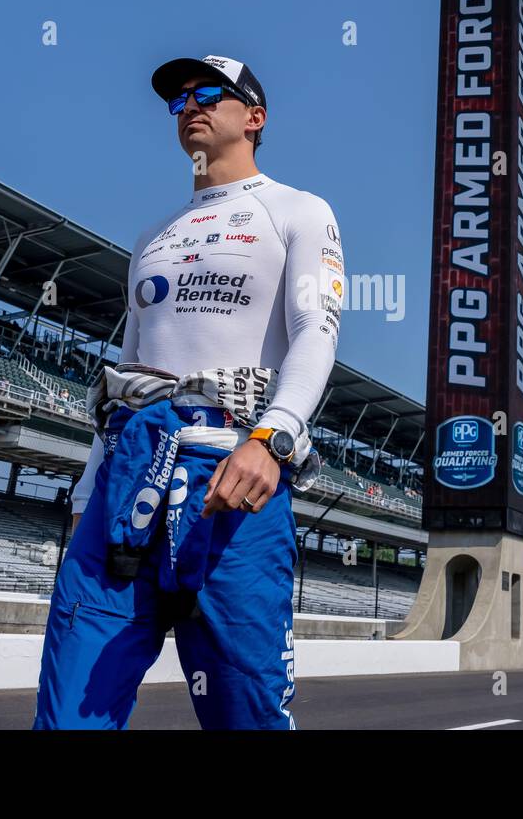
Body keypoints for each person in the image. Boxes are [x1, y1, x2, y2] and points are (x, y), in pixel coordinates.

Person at [34, 53, 343, 731]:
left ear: (254, 117)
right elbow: (124, 374)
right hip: (126, 480)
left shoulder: (298, 210)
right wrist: (88, 495)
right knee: (66, 719)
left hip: (233, 478)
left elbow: (315, 333)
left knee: (247, 720)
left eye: (209, 92)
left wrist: (274, 439)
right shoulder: (152, 237)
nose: (190, 104)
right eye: (179, 99)